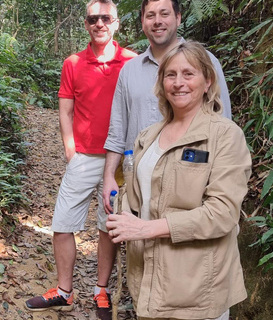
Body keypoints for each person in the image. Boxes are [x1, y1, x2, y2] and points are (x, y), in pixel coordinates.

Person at [105, 41, 252, 320]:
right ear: (161, 83)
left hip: (197, 288)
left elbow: (222, 213)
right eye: (170, 75)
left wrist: (145, 229)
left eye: (189, 74)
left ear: (208, 80)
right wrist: (124, 214)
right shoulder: (147, 137)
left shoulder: (225, 136)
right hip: (149, 281)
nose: (178, 83)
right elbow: (136, 196)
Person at [25, 1, 136, 320]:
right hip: (84, 155)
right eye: (93, 19)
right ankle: (63, 292)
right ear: (86, 24)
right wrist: (70, 150)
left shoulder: (131, 62)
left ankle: (101, 291)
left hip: (119, 160)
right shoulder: (72, 63)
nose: (99, 23)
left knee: (107, 225)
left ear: (116, 23)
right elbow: (65, 109)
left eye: (105, 18)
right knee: (62, 223)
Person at [102, 0, 232, 214]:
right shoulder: (130, 71)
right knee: (140, 243)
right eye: (150, 15)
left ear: (178, 18)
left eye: (164, 13)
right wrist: (108, 177)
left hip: (192, 182)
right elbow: (117, 131)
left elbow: (224, 121)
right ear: (142, 22)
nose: (157, 21)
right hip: (139, 184)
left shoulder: (206, 62)